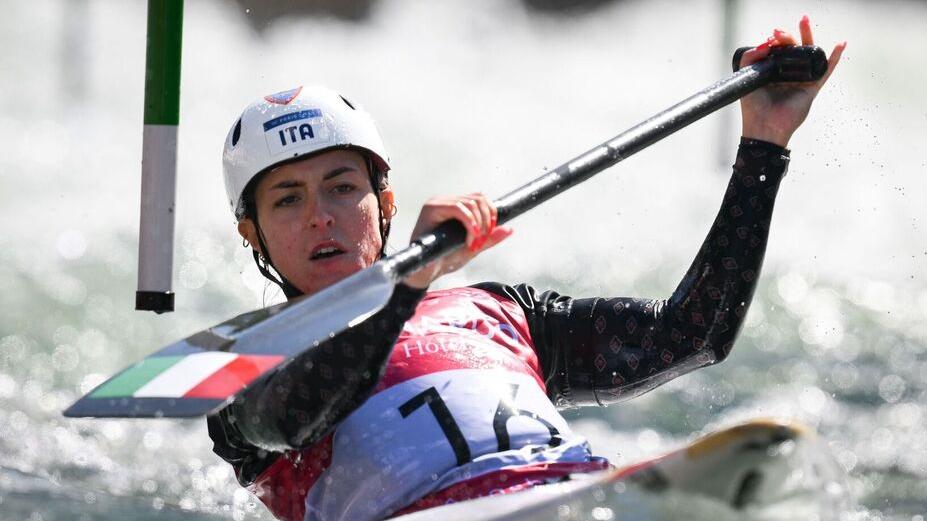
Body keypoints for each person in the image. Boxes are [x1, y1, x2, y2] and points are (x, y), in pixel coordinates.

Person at [207, 17, 845, 521]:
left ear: (385, 202)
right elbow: (292, 417)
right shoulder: (236, 362)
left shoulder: (501, 311)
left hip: (575, 495)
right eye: (288, 199)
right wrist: (404, 291)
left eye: (342, 186)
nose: (321, 216)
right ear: (252, 233)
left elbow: (695, 335)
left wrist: (764, 143)